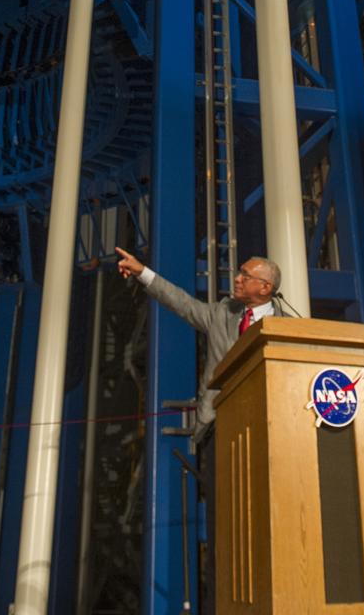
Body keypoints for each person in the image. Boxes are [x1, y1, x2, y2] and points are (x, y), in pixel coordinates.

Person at [115, 247, 288, 613]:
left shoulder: (287, 325)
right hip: (218, 431)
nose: (236, 279)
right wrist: (144, 271)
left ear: (265, 287)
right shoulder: (222, 313)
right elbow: (180, 302)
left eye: (244, 275)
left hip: (270, 434)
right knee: (223, 527)